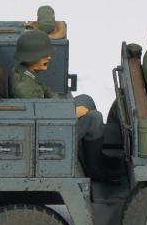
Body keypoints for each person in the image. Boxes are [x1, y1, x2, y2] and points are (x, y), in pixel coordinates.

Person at [9, 30, 111, 180]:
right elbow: (42, 115)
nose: (49, 58)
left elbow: (45, 90)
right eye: (44, 55)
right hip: (46, 132)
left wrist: (63, 105)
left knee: (86, 99)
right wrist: (71, 113)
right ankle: (94, 169)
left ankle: (94, 156)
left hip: (49, 115)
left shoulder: (25, 72)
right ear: (31, 57)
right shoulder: (25, 87)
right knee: (94, 118)